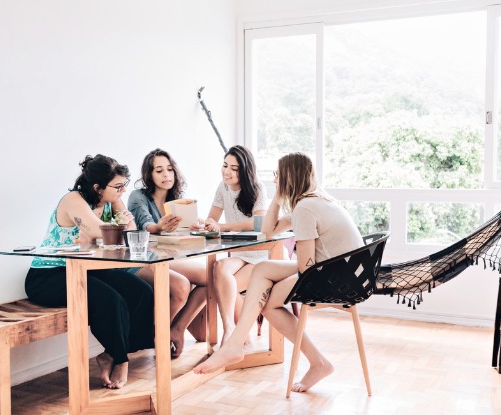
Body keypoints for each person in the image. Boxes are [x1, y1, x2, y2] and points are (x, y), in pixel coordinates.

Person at [194, 152, 363, 394]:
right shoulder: (314, 201)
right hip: (340, 273)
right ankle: (235, 344)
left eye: (277, 175)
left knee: (268, 302)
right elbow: (268, 231)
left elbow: (306, 267)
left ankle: (316, 362)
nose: (274, 179)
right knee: (262, 270)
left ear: (288, 178)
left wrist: (279, 194)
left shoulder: (306, 208)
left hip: (334, 279)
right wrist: (277, 197)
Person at [25, 154, 154, 389]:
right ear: (97, 187)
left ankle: (114, 353)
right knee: (111, 300)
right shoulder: (73, 200)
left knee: (141, 292)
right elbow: (100, 231)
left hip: (86, 270)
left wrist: (120, 215)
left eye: (124, 185)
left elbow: (131, 233)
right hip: (49, 276)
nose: (122, 191)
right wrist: (119, 223)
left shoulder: (110, 201)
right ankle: (120, 359)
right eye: (117, 187)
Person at [127, 148, 209, 358]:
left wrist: (195, 227)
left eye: (170, 170)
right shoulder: (138, 197)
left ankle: (178, 329)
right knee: (181, 285)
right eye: (159, 170)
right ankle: (155, 334)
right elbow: (146, 226)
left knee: (211, 276)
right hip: (145, 259)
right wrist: (159, 226)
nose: (166, 175)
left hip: (167, 257)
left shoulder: (177, 201)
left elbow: (180, 233)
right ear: (149, 175)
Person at [194, 145, 268, 348]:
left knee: (225, 285)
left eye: (234, 168)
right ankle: (230, 329)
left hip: (258, 252)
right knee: (219, 268)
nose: (227, 171)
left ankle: (242, 334)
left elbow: (258, 223)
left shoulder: (257, 188)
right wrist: (203, 224)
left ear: (244, 170)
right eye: (225, 165)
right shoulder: (223, 187)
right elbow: (213, 219)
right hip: (238, 253)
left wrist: (223, 227)